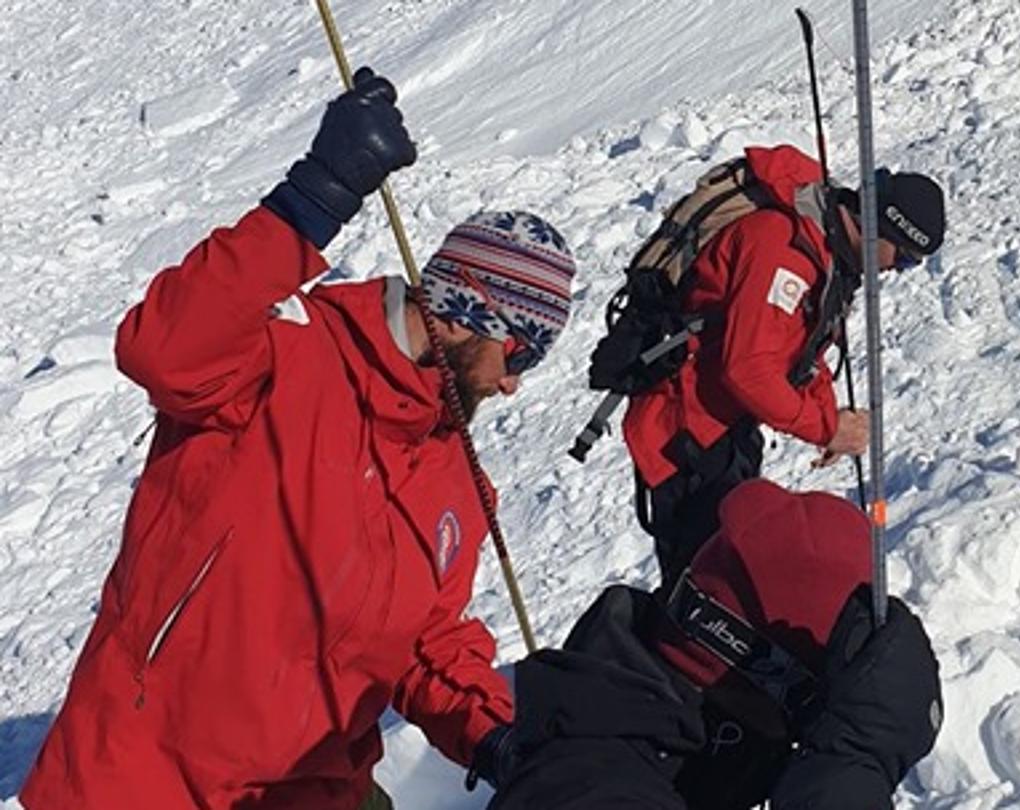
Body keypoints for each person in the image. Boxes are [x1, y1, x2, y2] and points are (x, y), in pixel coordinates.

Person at [21, 68, 578, 810]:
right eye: (519, 357)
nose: (512, 385)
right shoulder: (288, 356)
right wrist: (313, 197)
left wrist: (495, 734)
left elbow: (422, 644)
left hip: (313, 792)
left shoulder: (455, 479)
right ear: (468, 312)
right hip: (147, 780)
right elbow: (162, 350)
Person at [475, 478, 942, 810]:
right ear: (776, 679)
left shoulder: (650, 743)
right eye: (818, 702)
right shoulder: (589, 788)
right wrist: (847, 768)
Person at [620, 145, 948, 585]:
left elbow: (796, 350)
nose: (897, 271)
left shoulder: (823, 250)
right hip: (684, 432)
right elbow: (748, 370)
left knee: (728, 576)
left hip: (721, 428)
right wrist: (824, 428)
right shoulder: (782, 247)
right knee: (703, 590)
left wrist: (827, 414)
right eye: (904, 258)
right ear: (879, 228)